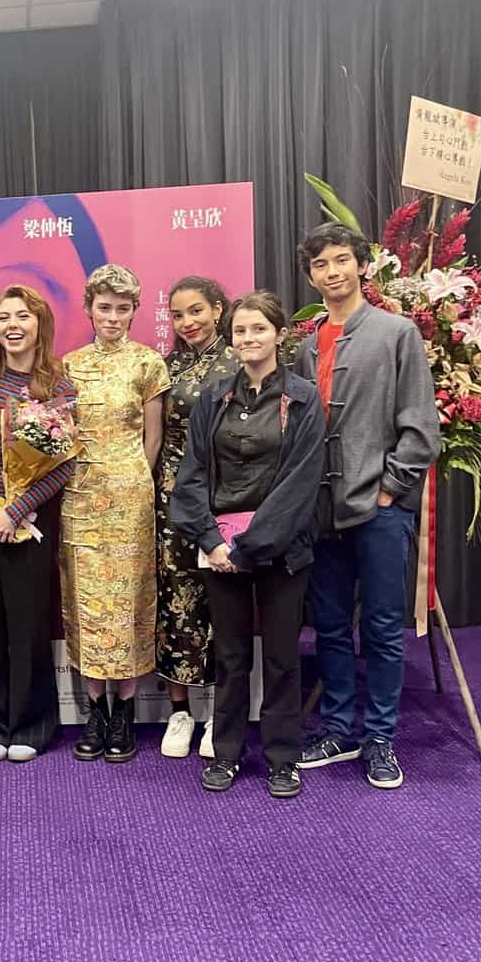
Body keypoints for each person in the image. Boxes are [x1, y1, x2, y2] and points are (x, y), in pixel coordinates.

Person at [292, 222, 441, 790]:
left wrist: (388, 490)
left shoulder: (396, 333)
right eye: (320, 265)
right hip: (320, 510)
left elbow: (420, 426)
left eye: (340, 260)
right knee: (329, 627)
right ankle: (337, 729)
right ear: (310, 277)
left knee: (381, 627)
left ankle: (380, 738)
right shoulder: (306, 345)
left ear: (361, 265)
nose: (332, 272)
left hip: (379, 509)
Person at [171, 291, 324, 798]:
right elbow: (192, 474)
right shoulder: (213, 398)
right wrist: (212, 541)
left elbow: (302, 481)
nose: (248, 338)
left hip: (281, 549)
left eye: (259, 329)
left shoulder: (303, 397)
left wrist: (250, 547)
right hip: (220, 552)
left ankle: (283, 758)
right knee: (231, 657)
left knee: (281, 658)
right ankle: (227, 752)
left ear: (279, 335)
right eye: (240, 330)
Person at [0, 285, 77, 763]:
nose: (13, 325)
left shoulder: (58, 385)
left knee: (29, 622)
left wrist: (18, 508)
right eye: (4, 316)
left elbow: (65, 462)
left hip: (30, 518)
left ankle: (31, 724)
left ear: (40, 323)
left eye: (23, 316)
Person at [62, 264, 171, 763]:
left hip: (130, 499)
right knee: (85, 601)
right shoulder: (69, 366)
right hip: (80, 497)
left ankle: (123, 711)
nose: (112, 316)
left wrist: (134, 481)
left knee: (128, 603)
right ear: (89, 309)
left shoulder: (149, 363)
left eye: (122, 308)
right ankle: (94, 711)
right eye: (104, 307)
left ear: (134, 311)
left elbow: (154, 437)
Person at [155, 276, 238, 760]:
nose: (188, 322)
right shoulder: (166, 367)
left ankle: (221, 715)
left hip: (226, 502)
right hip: (172, 503)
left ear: (218, 309)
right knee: (177, 604)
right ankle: (180, 712)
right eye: (178, 315)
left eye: (196, 311)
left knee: (224, 605)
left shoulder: (239, 362)